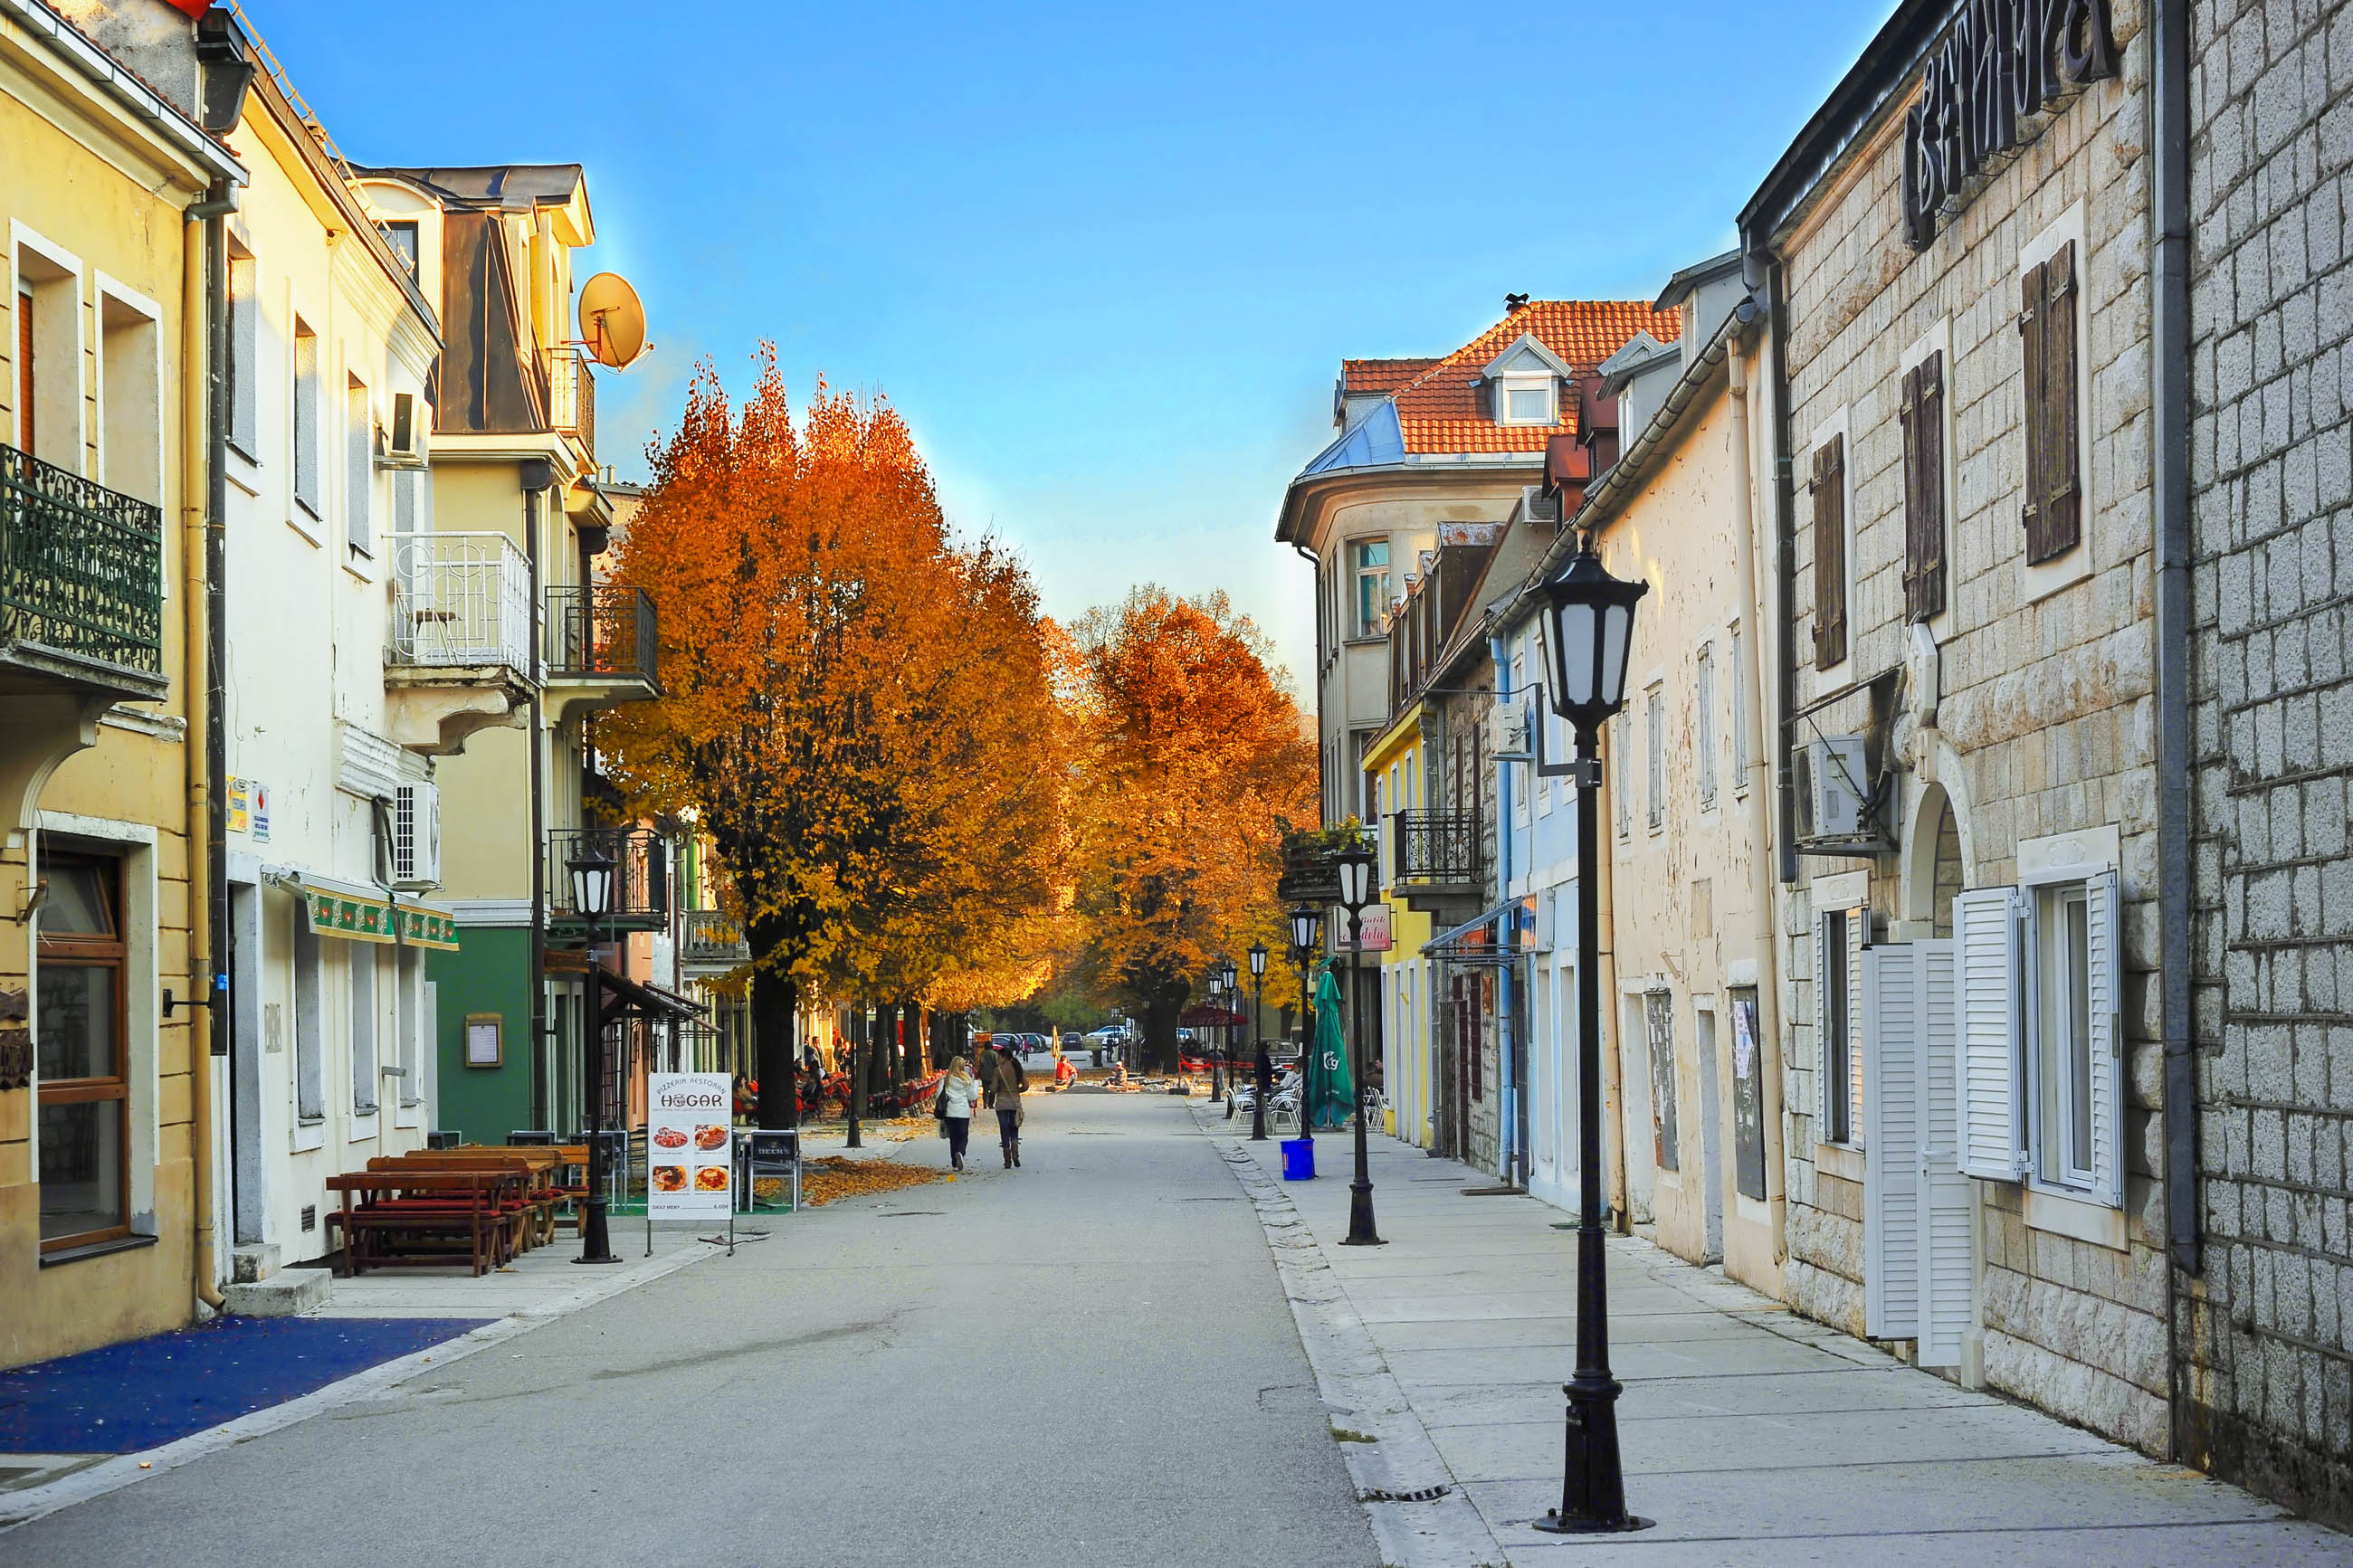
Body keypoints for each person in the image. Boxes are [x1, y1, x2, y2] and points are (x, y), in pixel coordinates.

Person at [938, 1054, 983, 1172]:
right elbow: (973, 1096)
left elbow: (938, 1096)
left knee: (953, 1137)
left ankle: (954, 1162)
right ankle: (960, 1153)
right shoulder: (966, 1079)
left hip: (950, 1112)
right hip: (962, 1112)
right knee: (963, 1136)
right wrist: (976, 1084)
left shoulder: (945, 1080)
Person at [991, 1048, 1027, 1167]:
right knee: (1014, 1128)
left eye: (999, 1057)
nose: (998, 1059)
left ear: (1003, 1057)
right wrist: (1017, 1090)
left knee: (1004, 1129)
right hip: (1014, 1103)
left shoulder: (998, 1070)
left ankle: (1007, 1160)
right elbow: (1026, 1085)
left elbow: (993, 1089)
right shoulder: (1017, 1067)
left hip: (1001, 1103)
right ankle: (1015, 1153)